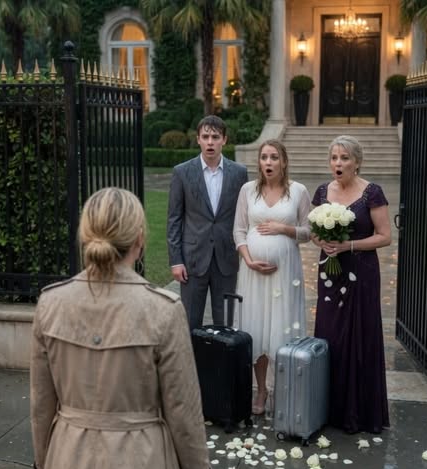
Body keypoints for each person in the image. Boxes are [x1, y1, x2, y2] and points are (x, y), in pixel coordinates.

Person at [30, 187, 211, 469]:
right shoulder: (162, 310)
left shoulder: (51, 303)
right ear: (139, 240)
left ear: (85, 235)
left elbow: (40, 405)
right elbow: (184, 411)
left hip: (70, 464)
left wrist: (48, 468)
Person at [311, 135, 391, 434]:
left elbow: (385, 236)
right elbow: (314, 231)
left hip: (362, 272)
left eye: (344, 158)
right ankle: (329, 409)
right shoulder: (322, 191)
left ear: (357, 162)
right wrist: (323, 241)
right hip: (330, 273)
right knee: (330, 333)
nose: (338, 163)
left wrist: (349, 245)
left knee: (359, 334)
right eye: (334, 158)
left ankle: (360, 412)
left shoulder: (372, 192)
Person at [233, 139, 311, 415]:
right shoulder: (247, 190)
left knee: (282, 327)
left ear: (284, 161)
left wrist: (283, 228)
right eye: (264, 157)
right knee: (256, 328)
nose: (268, 162)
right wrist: (248, 259)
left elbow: (308, 232)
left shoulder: (299, 191)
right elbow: (239, 230)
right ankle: (261, 390)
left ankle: (283, 390)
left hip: (285, 273)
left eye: (274, 157)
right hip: (252, 274)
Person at [167, 115, 248, 330]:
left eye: (215, 137)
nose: (210, 142)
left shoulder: (239, 173)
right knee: (190, 322)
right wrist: (176, 260)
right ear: (198, 139)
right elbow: (174, 219)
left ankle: (223, 354)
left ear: (224, 140)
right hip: (192, 260)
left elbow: (244, 216)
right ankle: (190, 354)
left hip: (226, 258)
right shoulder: (182, 172)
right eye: (205, 137)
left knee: (226, 324)